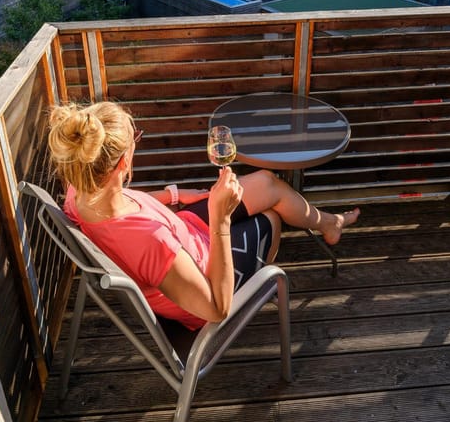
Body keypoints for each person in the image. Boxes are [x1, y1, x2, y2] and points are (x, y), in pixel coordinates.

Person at [48, 101, 360, 330]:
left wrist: (174, 195)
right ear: (121, 164)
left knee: (266, 182)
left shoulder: (79, 189)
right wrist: (220, 218)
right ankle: (258, 286)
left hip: (186, 233)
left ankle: (330, 223)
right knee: (272, 218)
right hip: (205, 283)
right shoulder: (149, 242)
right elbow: (215, 309)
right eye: (135, 140)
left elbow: (128, 202)